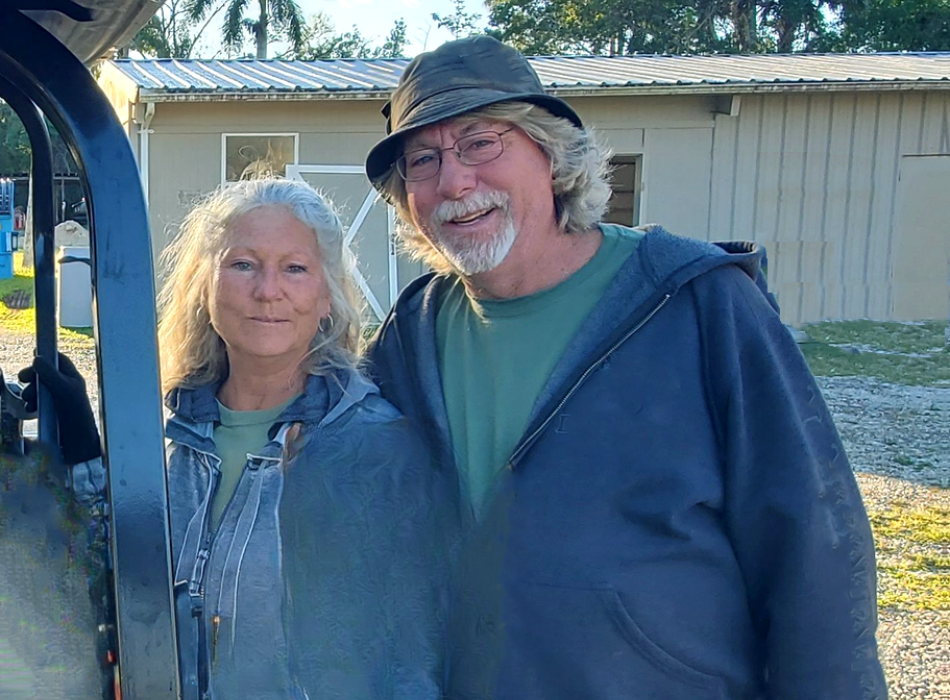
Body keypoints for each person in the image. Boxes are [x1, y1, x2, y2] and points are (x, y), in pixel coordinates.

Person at [364, 35, 888, 700]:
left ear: (551, 154)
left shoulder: (696, 304)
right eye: (423, 160)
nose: (454, 181)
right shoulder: (406, 342)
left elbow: (814, 551)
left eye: (480, 143)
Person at [20, 177, 450, 700]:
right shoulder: (167, 434)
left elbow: (408, 665)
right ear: (205, 286)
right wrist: (86, 457)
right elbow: (113, 585)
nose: (268, 291)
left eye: (295, 268)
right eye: (243, 264)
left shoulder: (378, 452)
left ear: (327, 297)